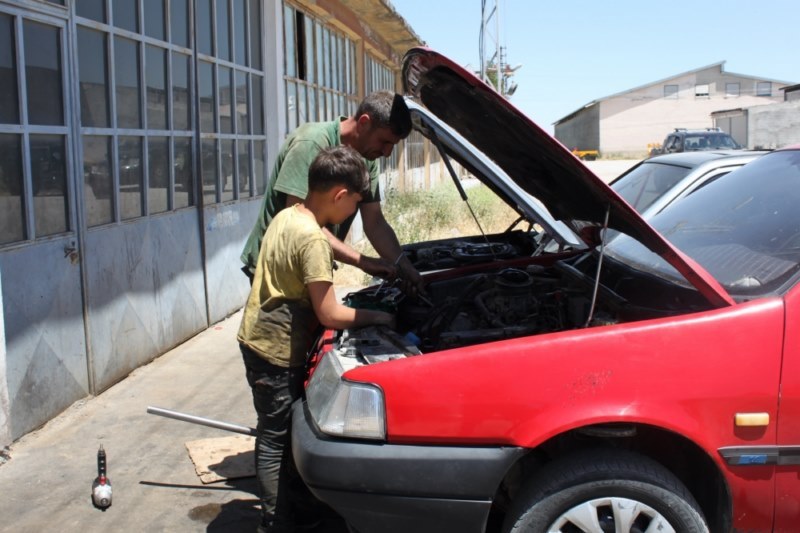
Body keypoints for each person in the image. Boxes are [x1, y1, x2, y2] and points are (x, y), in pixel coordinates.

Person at [237, 146, 395, 533]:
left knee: (284, 431)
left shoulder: (289, 215)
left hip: (256, 335)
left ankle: (295, 510)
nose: (352, 213)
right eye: (355, 203)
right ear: (340, 196)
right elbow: (330, 313)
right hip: (274, 351)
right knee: (274, 438)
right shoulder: (312, 241)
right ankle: (275, 524)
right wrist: (381, 316)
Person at [240, 90, 423, 294]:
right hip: (278, 269)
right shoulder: (312, 143)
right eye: (384, 142)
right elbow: (301, 224)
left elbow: (375, 223)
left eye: (393, 145)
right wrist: (363, 262)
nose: (387, 153)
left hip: (311, 267)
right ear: (364, 122)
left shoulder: (367, 159)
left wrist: (406, 269)